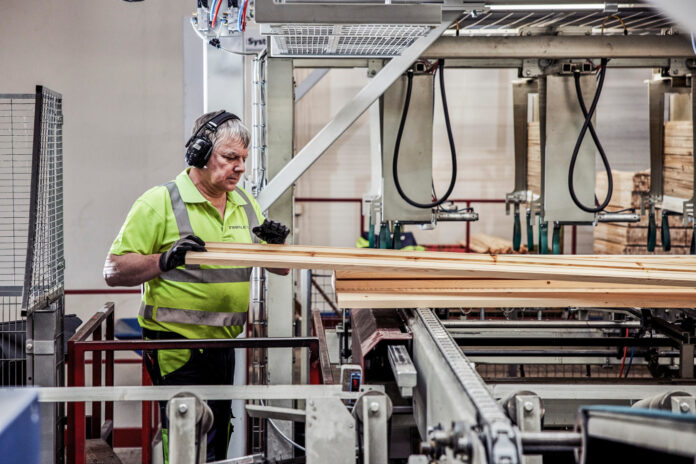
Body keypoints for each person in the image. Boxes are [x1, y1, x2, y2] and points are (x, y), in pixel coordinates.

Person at [104, 110, 289, 462]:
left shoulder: (246, 205)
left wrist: (278, 245)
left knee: (220, 433)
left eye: (243, 160)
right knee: (185, 434)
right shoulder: (159, 203)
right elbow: (113, 270)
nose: (239, 168)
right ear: (201, 155)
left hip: (222, 345)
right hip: (175, 344)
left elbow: (279, 268)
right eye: (230, 157)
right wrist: (162, 260)